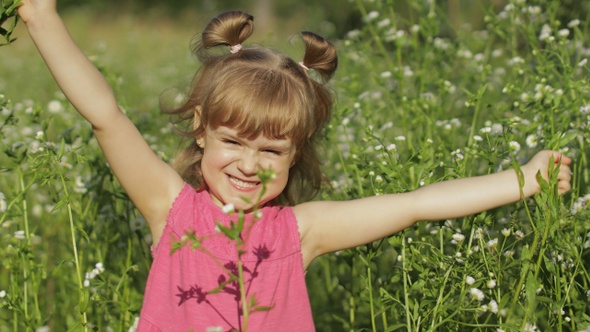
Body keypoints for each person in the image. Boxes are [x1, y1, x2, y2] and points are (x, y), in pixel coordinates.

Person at [17, 1, 573, 331]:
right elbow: (105, 115)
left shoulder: (299, 232)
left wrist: (523, 179)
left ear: (295, 155)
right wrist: (40, 15)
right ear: (200, 131)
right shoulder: (170, 207)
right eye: (234, 140)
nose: (249, 163)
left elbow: (415, 206)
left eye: (272, 150)